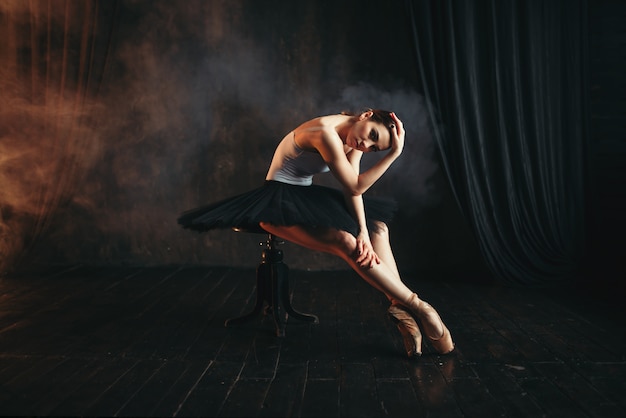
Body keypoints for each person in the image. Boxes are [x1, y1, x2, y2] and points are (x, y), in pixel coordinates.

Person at [178, 109, 454, 358]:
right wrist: (394, 154)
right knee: (347, 243)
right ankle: (420, 308)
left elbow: (351, 192)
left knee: (377, 227)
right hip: (277, 203)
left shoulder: (352, 136)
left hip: (304, 195)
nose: (366, 145)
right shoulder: (325, 133)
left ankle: (400, 309)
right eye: (371, 136)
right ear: (365, 115)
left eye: (374, 148)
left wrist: (363, 231)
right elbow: (357, 186)